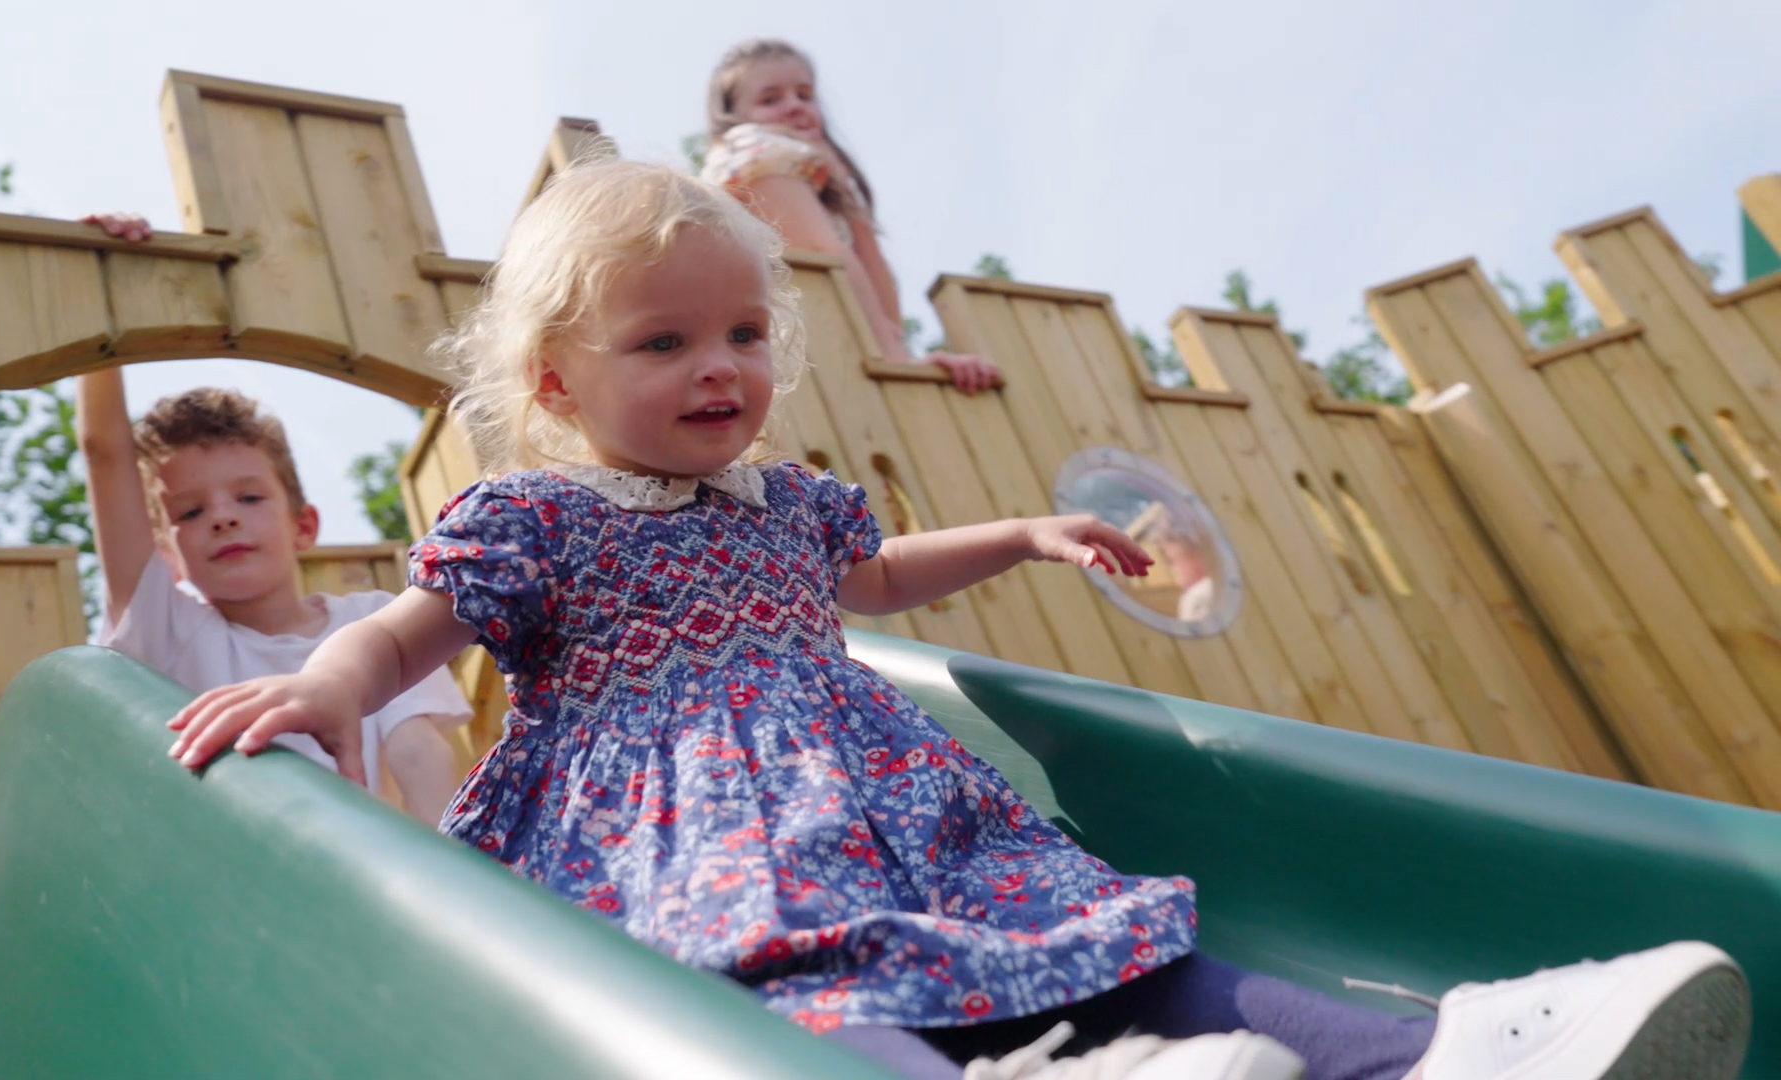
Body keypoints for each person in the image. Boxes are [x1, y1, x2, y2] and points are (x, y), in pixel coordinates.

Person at [162, 161, 1750, 1080]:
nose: (721, 366)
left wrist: (1032, 534)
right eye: (666, 342)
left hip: (889, 802)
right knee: (792, 1005)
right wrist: (325, 684)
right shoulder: (539, 518)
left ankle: (1439, 1055)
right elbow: (412, 633)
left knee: (1105, 934)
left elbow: (879, 579)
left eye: (740, 332)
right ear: (560, 388)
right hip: (679, 836)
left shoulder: (789, 507)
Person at [76, 366, 472, 825]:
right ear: (168, 553)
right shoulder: (168, 631)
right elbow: (103, 453)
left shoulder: (373, 620)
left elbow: (420, 753)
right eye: (191, 510)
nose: (223, 517)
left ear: (302, 526)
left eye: (249, 498)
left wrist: (440, 869)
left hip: (359, 869)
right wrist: (105, 350)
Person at [700, 39, 1001, 396]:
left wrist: (848, 196)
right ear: (734, 115)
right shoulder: (754, 151)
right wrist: (897, 363)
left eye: (805, 94)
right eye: (771, 99)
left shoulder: (808, 172)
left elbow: (883, 304)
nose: (795, 106)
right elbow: (826, 256)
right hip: (797, 372)